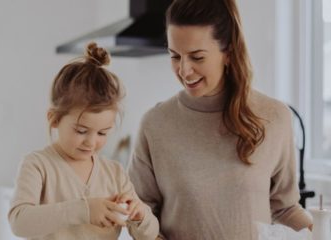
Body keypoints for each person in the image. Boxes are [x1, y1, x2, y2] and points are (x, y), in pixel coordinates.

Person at [127, 0, 313, 239]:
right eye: (175, 56)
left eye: (197, 57)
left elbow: (285, 208)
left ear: (228, 53)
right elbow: (139, 215)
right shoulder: (155, 124)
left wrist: (319, 230)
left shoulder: (275, 117)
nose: (184, 70)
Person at [8, 42, 159, 240]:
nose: (91, 142)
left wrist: (141, 215)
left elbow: (148, 235)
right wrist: (84, 210)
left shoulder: (114, 173)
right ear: (54, 119)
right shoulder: (37, 165)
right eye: (81, 130)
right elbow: (20, 222)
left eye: (102, 133)